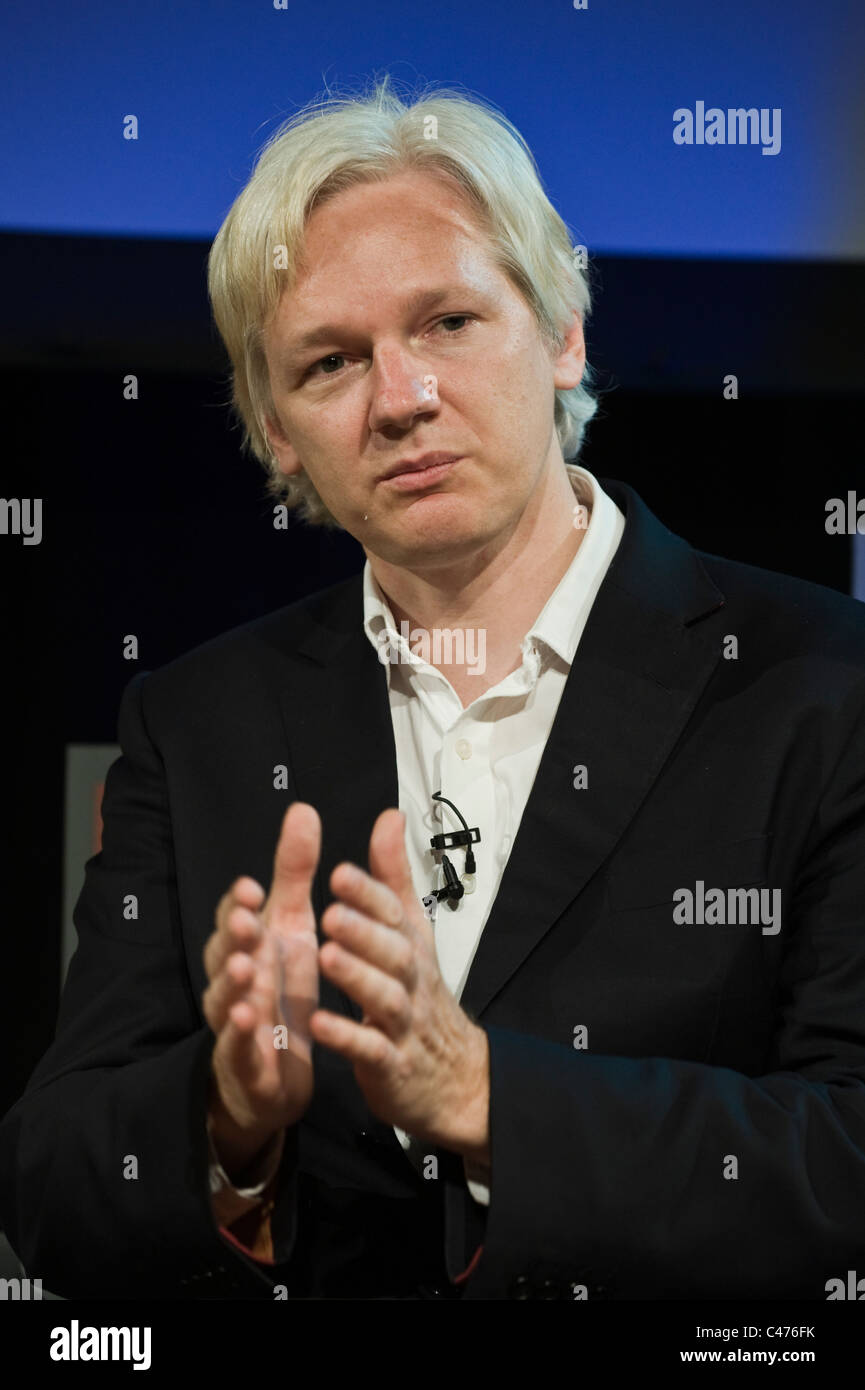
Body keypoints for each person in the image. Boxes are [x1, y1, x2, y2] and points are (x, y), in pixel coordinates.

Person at [2, 76, 865, 1302]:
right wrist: (230, 1117)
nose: (401, 399)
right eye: (331, 360)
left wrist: (481, 1093)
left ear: (562, 330)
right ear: (278, 430)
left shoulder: (822, 685)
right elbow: (51, 1181)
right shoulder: (199, 725)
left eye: (448, 322)